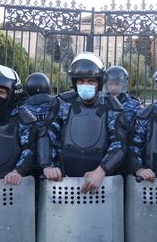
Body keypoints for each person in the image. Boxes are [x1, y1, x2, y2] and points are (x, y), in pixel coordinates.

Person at [41, 52, 126, 193]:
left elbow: (119, 143)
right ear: (75, 83)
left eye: (91, 81)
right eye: (81, 81)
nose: (85, 85)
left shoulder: (111, 106)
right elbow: (47, 134)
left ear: (98, 82)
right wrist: (48, 165)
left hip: (100, 184)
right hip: (62, 181)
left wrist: (102, 170)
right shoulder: (62, 103)